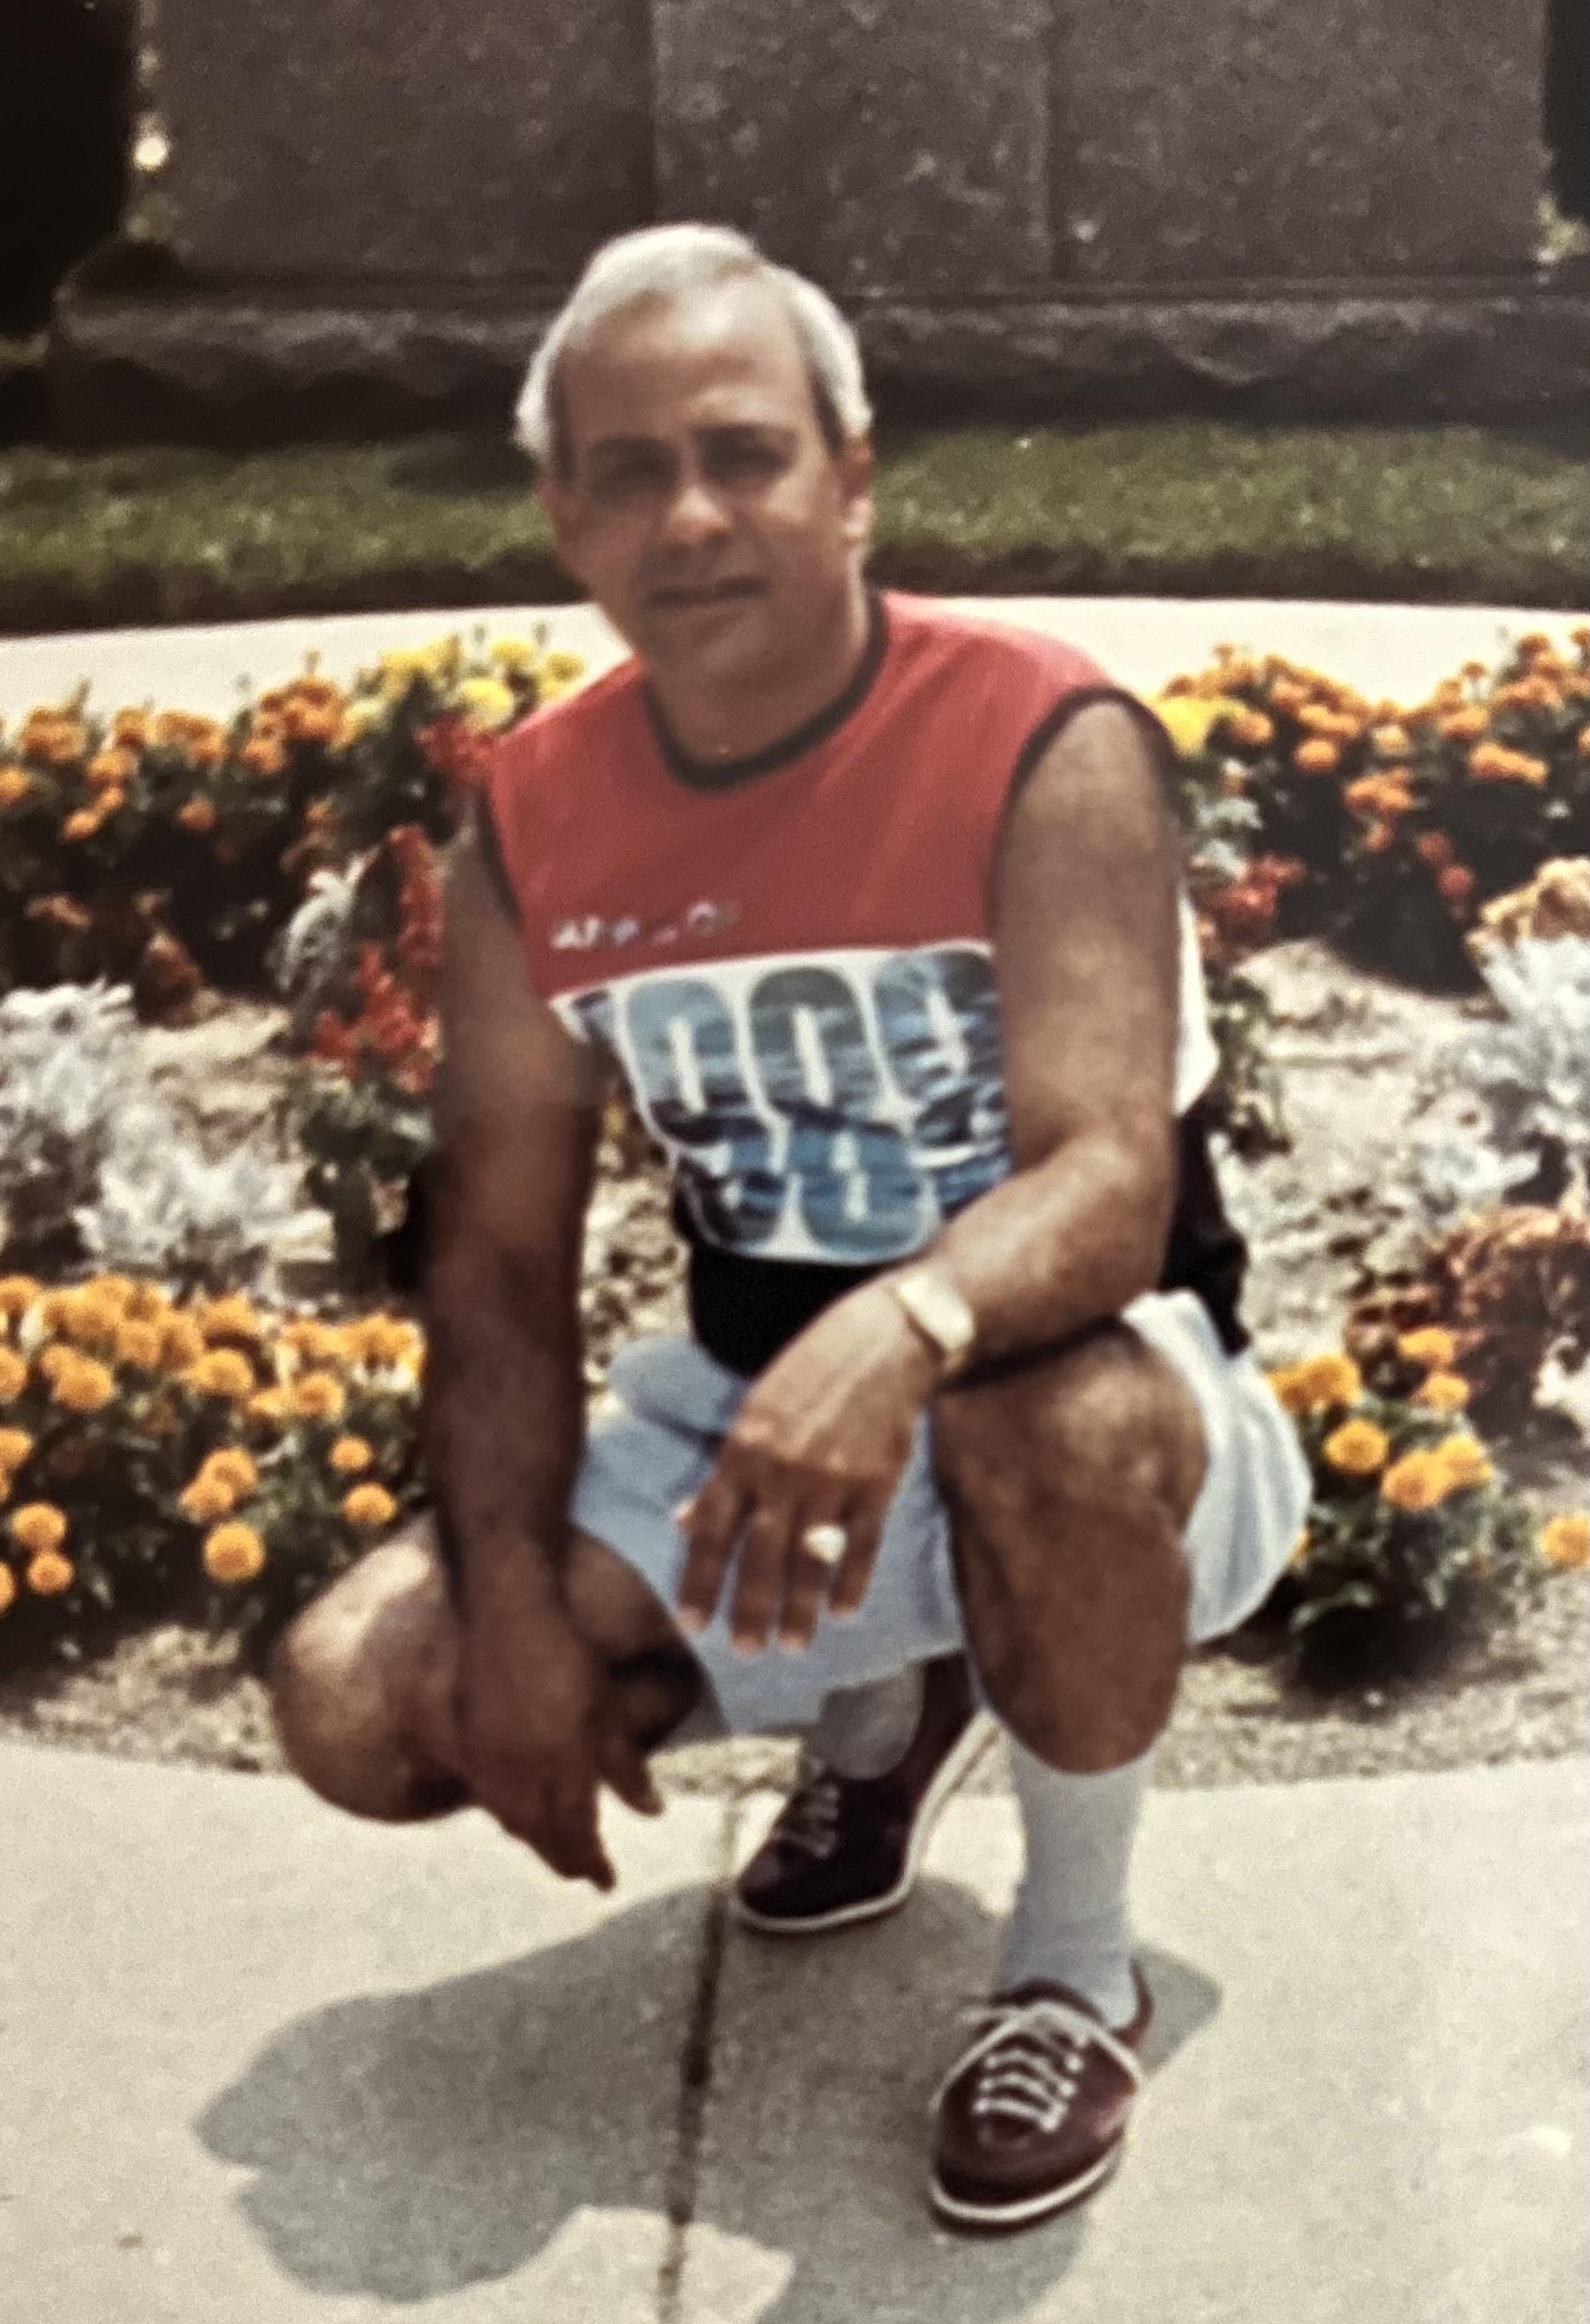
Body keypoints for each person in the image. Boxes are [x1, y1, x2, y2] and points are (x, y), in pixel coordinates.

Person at [268, 223, 1310, 2231]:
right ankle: (900, 1692)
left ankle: (1072, 1969)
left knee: (1038, 1418)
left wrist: (899, 1322)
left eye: (743, 451)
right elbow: (494, 1263)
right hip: (763, 1420)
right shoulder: (535, 817)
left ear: (852, 473)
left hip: (1118, 1396)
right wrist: (498, 1611)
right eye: (630, 467)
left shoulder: (1041, 733)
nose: (693, 513)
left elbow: (1104, 1186)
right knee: (354, 1695)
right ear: (564, 513)